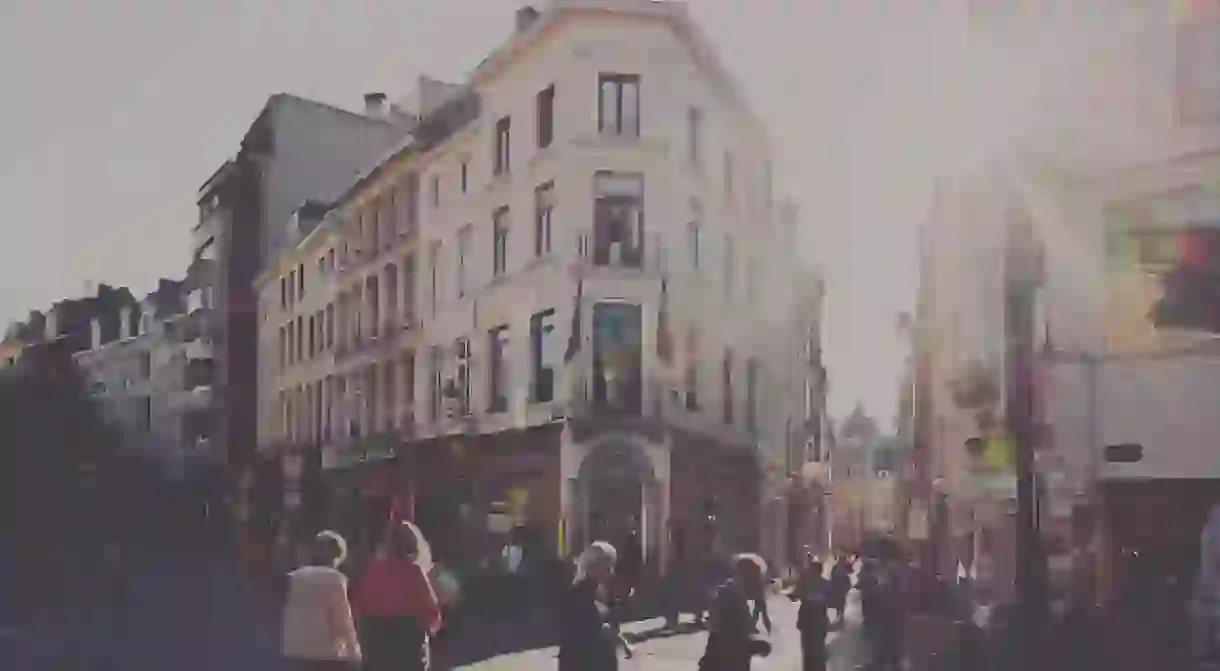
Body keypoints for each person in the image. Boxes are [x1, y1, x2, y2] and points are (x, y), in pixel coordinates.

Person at [351, 520, 441, 671]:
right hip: (408, 644)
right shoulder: (414, 572)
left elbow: (357, 607)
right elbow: (430, 612)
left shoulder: (372, 571)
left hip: (375, 642)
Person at [280, 531, 362, 670]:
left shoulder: (295, 578)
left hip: (294, 651)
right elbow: (343, 622)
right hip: (324, 653)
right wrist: (354, 653)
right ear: (338, 555)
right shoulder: (335, 580)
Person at [559, 541, 627, 671]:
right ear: (592, 567)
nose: (611, 573)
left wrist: (620, 641)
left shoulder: (604, 590)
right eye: (607, 568)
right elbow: (575, 636)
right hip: (584, 663)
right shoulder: (575, 594)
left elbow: (607, 623)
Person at [698, 553, 773, 671]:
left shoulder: (735, 598)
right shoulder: (729, 601)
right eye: (756, 578)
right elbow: (730, 643)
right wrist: (757, 646)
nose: (759, 584)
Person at [796, 560, 830, 671]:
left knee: (811, 651)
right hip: (813, 621)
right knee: (813, 650)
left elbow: (796, 595)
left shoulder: (808, 584)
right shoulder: (822, 583)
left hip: (812, 621)